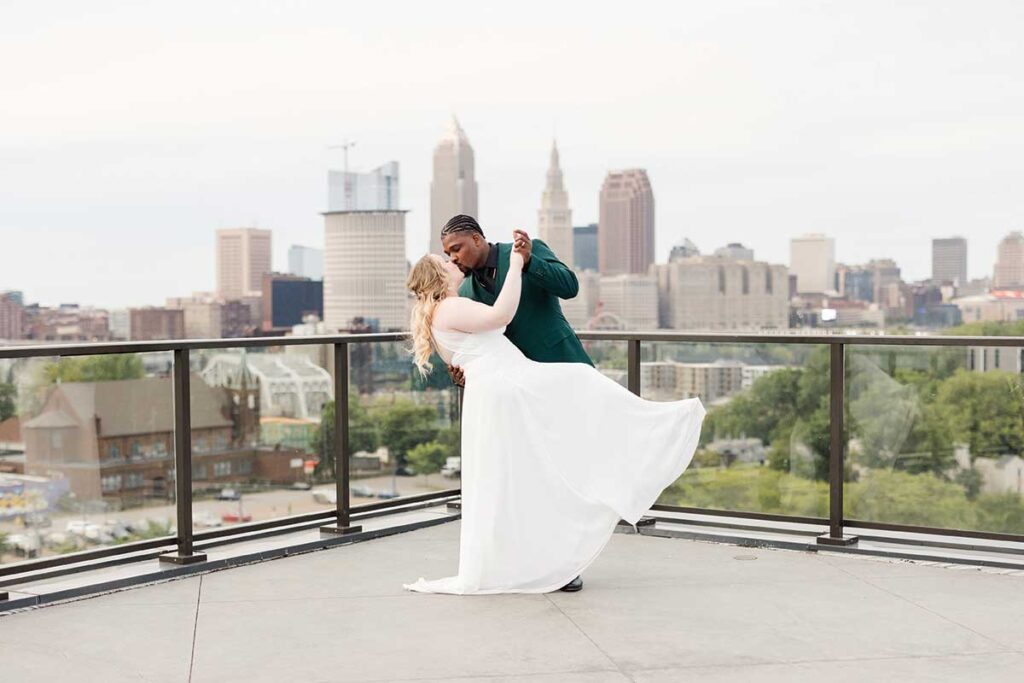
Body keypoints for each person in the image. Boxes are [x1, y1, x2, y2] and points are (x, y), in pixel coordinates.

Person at [400, 223, 706, 596]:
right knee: (536, 477)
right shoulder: (463, 291)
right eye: (446, 254)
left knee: (582, 451)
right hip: (516, 390)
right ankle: (558, 563)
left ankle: (604, 508)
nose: (453, 258)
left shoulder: (530, 251)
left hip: (556, 370)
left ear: (477, 239)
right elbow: (478, 332)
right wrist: (464, 366)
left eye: (457, 249)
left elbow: (570, 286)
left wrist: (525, 263)